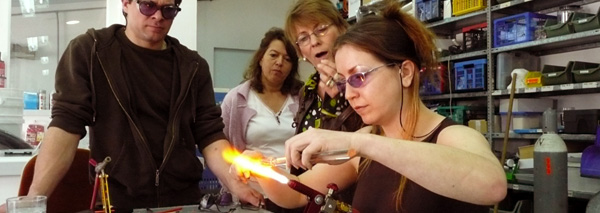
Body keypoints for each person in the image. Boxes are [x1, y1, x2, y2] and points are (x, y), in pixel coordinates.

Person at [237, 1, 507, 212]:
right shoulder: (365, 141)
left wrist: (359, 143)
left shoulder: (451, 136)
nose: (351, 94)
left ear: (405, 73)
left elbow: (492, 186)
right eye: (345, 81)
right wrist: (262, 170)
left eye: (359, 77)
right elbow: (296, 192)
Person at [0, 0, 261, 211]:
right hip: (117, 200)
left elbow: (210, 136)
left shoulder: (193, 67)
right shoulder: (91, 52)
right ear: (125, 3)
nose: (158, 16)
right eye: (148, 5)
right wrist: (32, 200)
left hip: (182, 200)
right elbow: (65, 126)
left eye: (169, 10)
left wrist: (233, 183)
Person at [282, 0, 364, 208]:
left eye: (321, 30)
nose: (314, 42)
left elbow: (380, 132)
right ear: (300, 52)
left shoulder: (363, 77)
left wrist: (348, 88)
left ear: (342, 28)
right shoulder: (306, 91)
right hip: (314, 197)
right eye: (303, 38)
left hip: (356, 196)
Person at [220, 27, 303, 210]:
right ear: (260, 57)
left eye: (287, 59)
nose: (279, 62)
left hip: (296, 191)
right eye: (273, 55)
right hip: (254, 196)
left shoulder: (304, 98)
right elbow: (223, 150)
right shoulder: (236, 99)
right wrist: (237, 187)